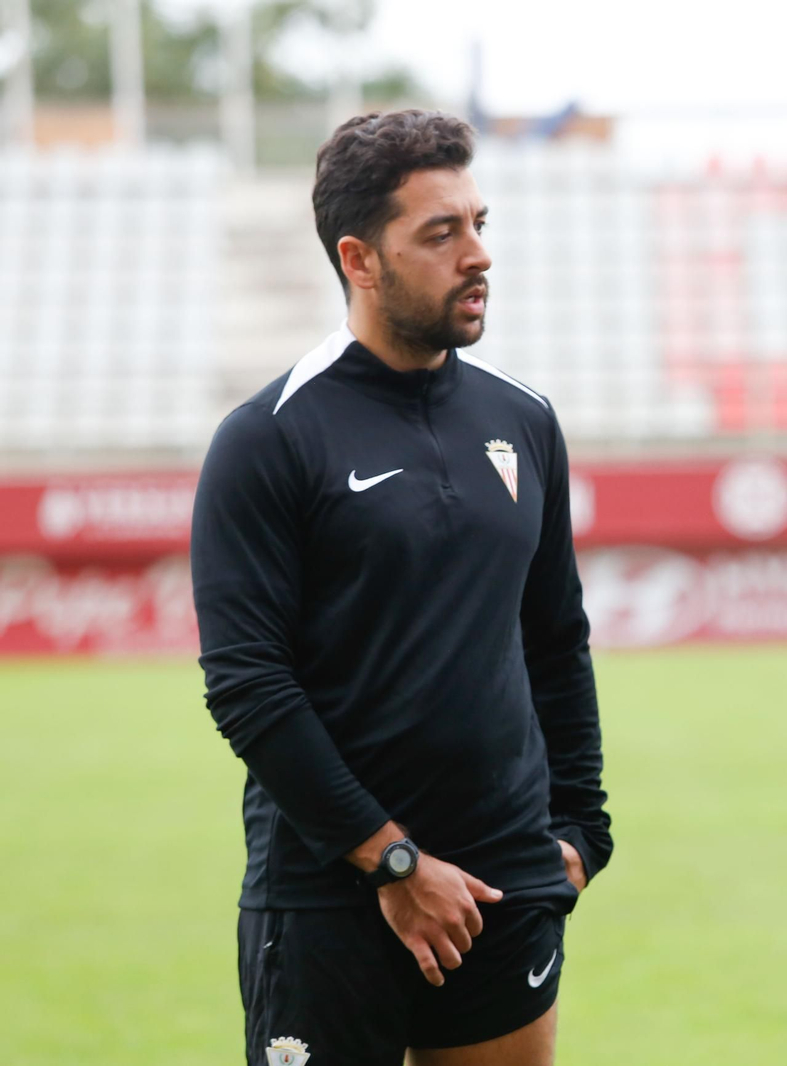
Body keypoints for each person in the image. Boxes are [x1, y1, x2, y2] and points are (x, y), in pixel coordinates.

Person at [191, 109, 611, 1066]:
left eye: (479, 223)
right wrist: (393, 860)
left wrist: (581, 829)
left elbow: (555, 638)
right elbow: (247, 685)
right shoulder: (269, 438)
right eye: (441, 233)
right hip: (332, 893)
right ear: (360, 258)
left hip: (507, 885)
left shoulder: (524, 419)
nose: (478, 255)